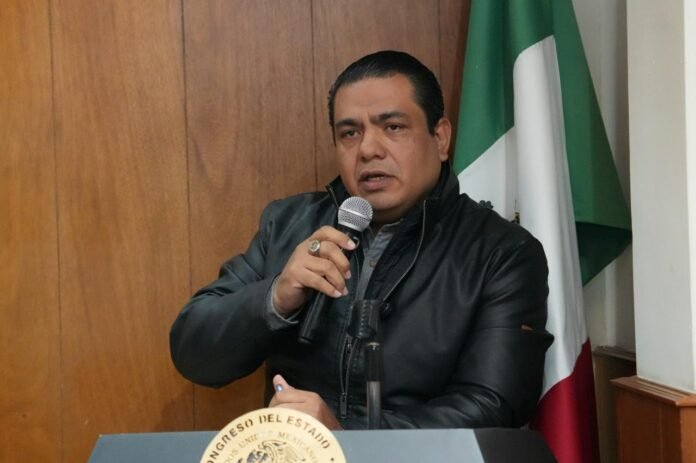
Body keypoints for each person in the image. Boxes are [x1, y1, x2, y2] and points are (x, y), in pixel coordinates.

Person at [170, 50, 553, 430]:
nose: (369, 149)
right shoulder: (287, 225)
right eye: (350, 133)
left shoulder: (502, 252)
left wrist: (345, 437)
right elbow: (193, 354)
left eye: (393, 127)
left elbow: (493, 405)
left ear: (440, 138)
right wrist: (276, 298)